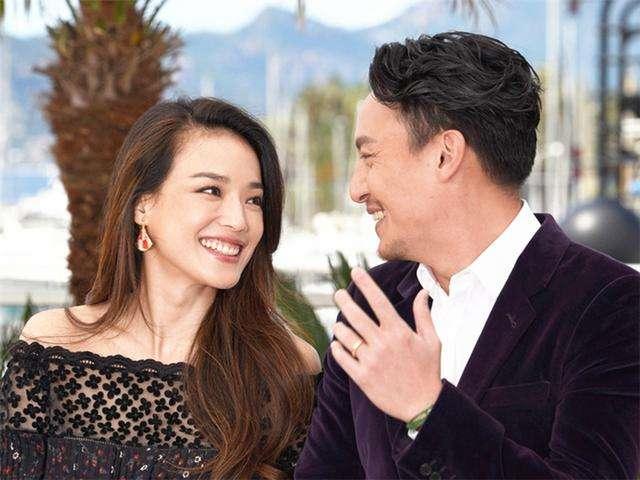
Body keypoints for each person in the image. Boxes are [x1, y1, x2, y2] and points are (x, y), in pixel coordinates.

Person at [295, 31, 639, 479]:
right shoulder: (371, 305)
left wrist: (427, 412)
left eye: (369, 157)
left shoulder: (611, 303)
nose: (356, 189)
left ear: (445, 155)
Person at [0, 97, 321, 480]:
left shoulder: (286, 368)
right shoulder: (52, 348)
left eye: (254, 200)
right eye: (211, 190)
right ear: (143, 205)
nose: (239, 220)